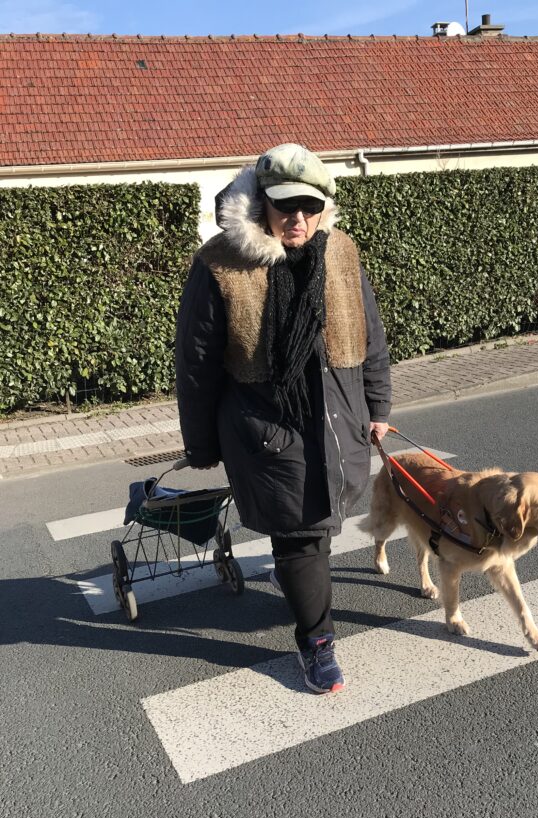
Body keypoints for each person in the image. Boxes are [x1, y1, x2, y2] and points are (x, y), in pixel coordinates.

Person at [175, 143, 391, 695]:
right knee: (300, 535)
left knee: (314, 531)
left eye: (309, 206)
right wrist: (201, 443)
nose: (298, 218)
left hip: (336, 414)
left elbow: (370, 337)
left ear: (323, 206)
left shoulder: (340, 251)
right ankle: (317, 641)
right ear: (261, 204)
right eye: (284, 205)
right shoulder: (220, 263)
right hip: (263, 425)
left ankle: (301, 590)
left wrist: (378, 407)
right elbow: (195, 363)